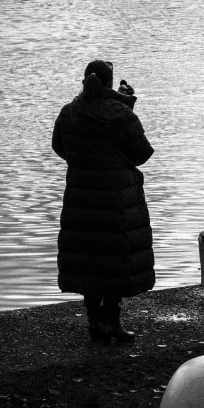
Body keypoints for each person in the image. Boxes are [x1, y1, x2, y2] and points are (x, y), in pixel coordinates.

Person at [52, 60, 155, 343]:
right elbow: (141, 154)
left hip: (81, 199)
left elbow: (59, 147)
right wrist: (127, 106)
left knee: (89, 259)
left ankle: (94, 321)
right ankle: (111, 320)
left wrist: (85, 164)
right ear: (110, 85)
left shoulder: (68, 113)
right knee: (116, 259)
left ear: (84, 80)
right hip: (118, 201)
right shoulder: (121, 115)